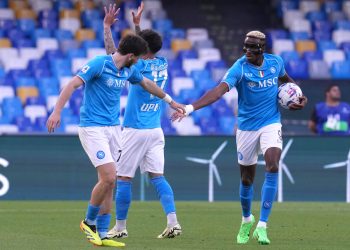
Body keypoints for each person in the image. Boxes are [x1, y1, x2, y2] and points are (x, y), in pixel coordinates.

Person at [46, 6, 184, 247]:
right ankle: (89, 223)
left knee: (111, 181)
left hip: (115, 129)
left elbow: (148, 83)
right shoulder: (100, 64)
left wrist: (172, 102)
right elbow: (72, 84)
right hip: (93, 127)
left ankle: (103, 233)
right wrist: (57, 111)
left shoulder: (127, 70)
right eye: (137, 57)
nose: (139, 60)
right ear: (132, 57)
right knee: (111, 176)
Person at [172, 31, 307, 245]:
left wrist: (300, 96)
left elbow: (287, 80)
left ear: (262, 48)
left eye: (251, 47)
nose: (247, 51)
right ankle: (246, 220)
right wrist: (189, 108)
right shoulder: (240, 68)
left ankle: (262, 226)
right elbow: (218, 92)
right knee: (246, 179)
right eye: (245, 47)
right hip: (246, 128)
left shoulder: (275, 62)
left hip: (271, 123)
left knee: (273, 166)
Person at [103, 2, 182, 239]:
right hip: (155, 130)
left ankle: (120, 227)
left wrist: (108, 28)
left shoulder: (135, 66)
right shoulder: (162, 64)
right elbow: (144, 49)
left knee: (124, 178)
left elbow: (113, 55)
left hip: (135, 129)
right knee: (158, 177)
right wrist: (138, 25)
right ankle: (173, 222)